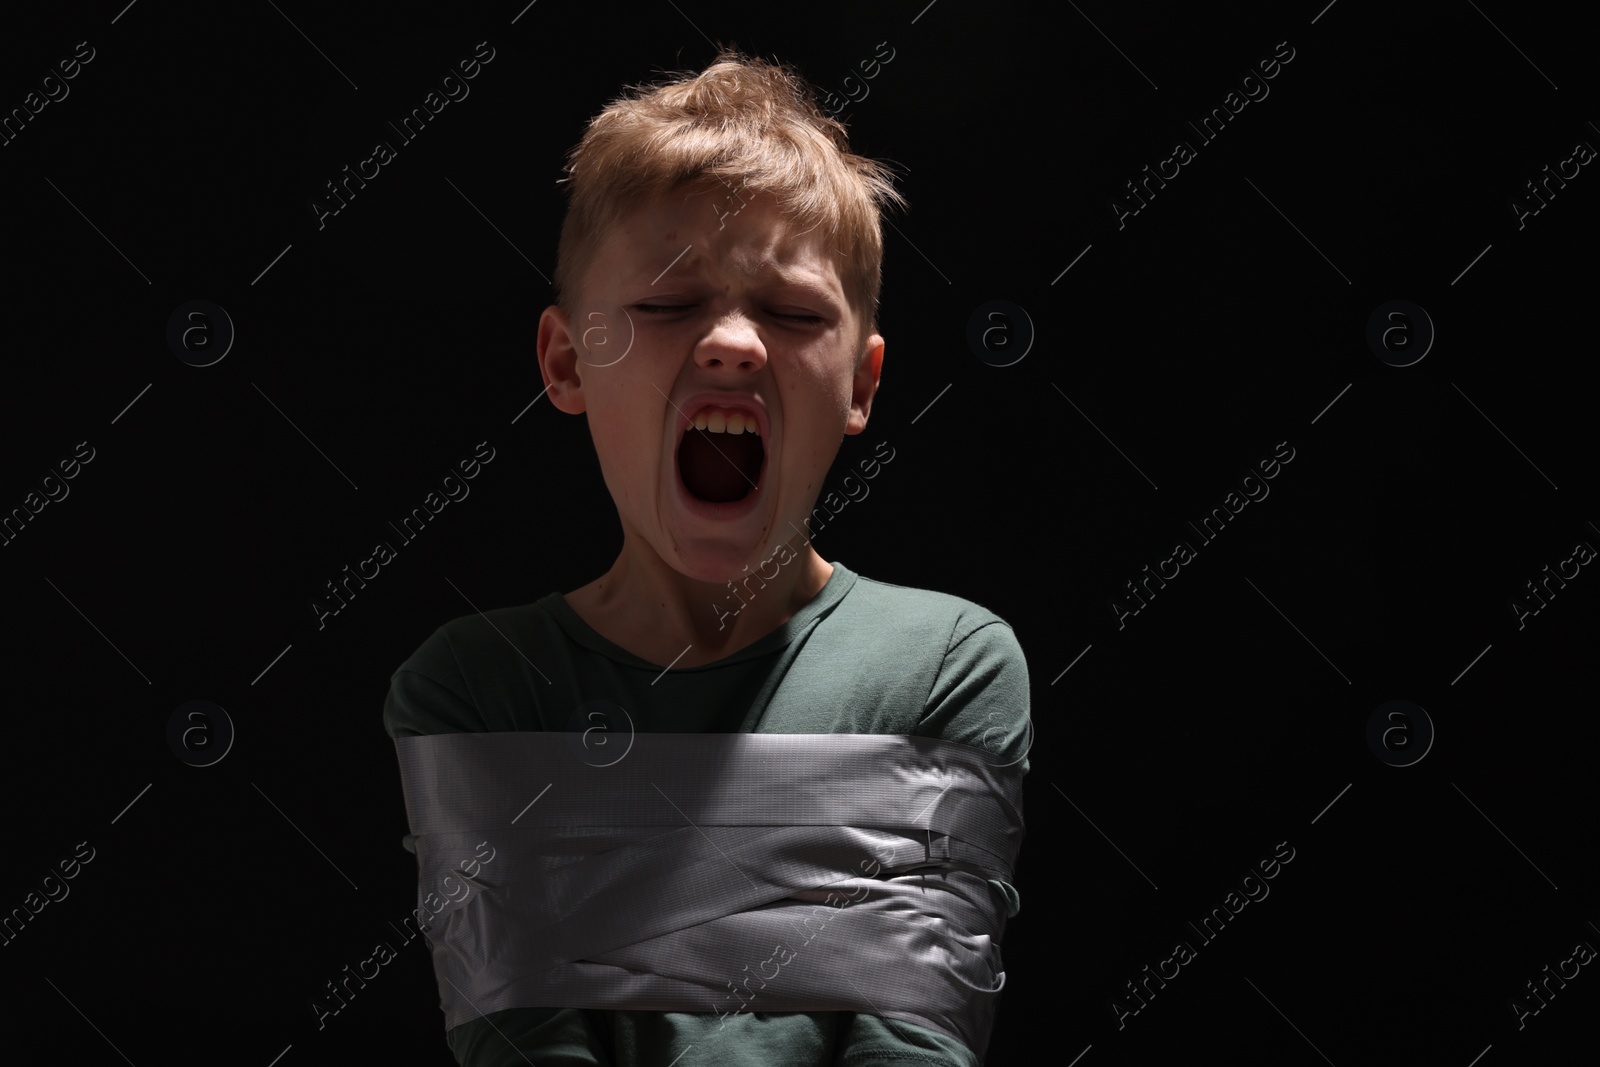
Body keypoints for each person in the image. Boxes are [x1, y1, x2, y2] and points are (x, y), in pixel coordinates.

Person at [385, 48, 1031, 1066]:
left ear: (862, 385)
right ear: (566, 361)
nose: (733, 342)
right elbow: (524, 1041)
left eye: (792, 312)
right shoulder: (476, 686)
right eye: (665, 304)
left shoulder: (945, 662)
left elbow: (912, 1038)